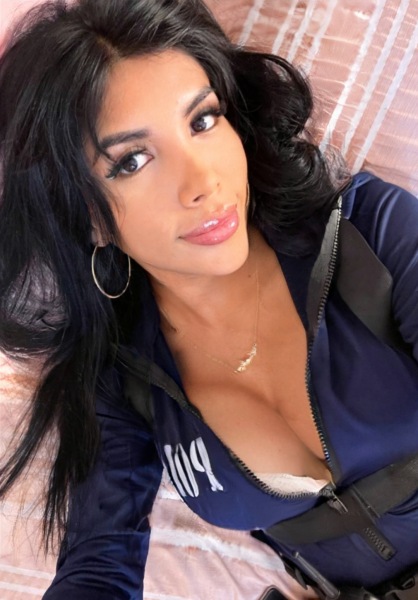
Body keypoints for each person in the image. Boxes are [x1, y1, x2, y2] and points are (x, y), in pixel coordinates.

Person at [1, 0, 418, 598]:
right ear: (87, 214)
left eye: (202, 121)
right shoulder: (123, 377)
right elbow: (98, 567)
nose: (203, 183)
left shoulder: (371, 233)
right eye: (132, 161)